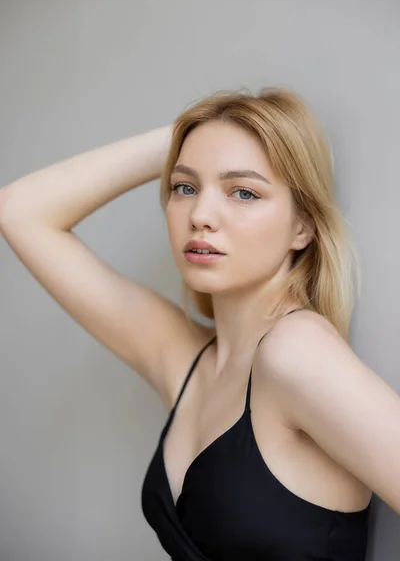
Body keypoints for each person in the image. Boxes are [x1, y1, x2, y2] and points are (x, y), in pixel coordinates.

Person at [1, 87, 399, 561]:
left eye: (244, 192)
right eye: (184, 187)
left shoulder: (298, 351)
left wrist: (203, 140)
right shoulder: (187, 359)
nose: (201, 216)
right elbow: (19, 211)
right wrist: (192, 135)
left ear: (303, 227)